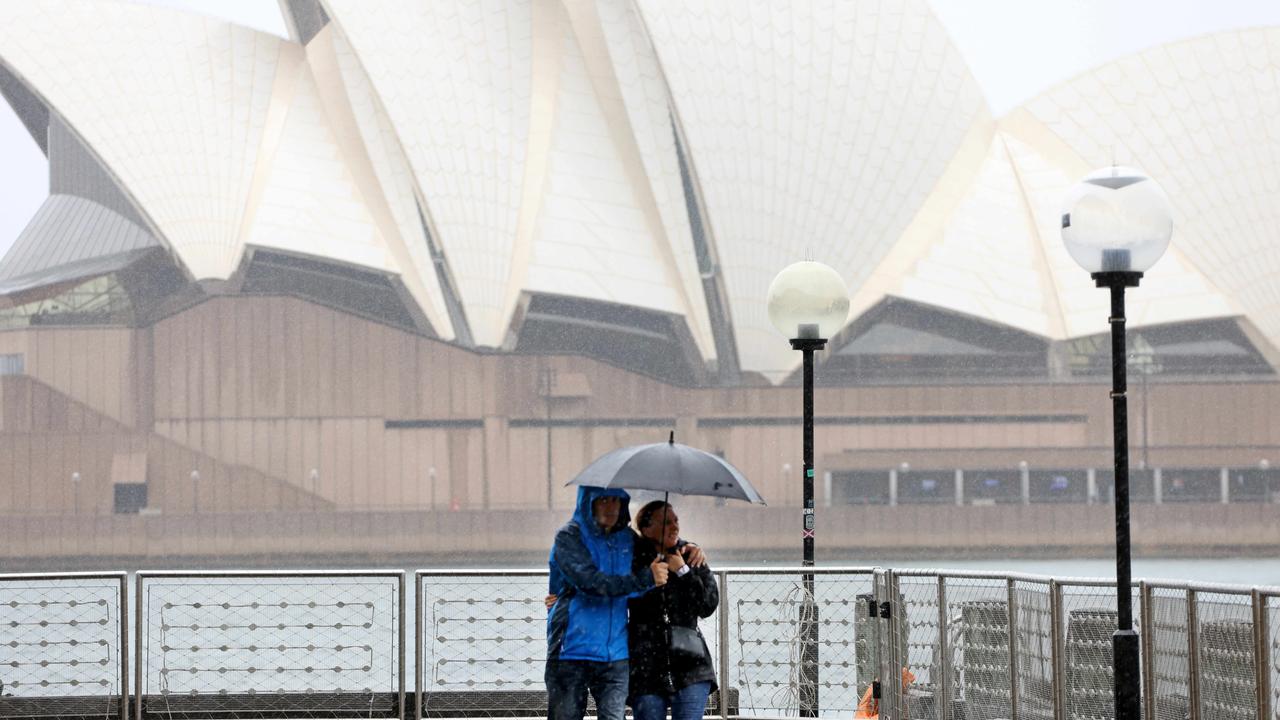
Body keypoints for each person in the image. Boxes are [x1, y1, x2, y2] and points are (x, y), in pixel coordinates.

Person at [545, 486, 669, 720]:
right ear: (588, 503)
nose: (611, 507)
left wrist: (689, 548)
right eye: (603, 500)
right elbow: (591, 583)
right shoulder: (569, 536)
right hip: (572, 650)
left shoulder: (628, 539)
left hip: (615, 653)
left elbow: (656, 553)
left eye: (616, 501)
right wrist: (645, 579)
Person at [627, 500, 719, 720]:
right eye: (666, 522)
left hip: (691, 665)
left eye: (676, 521)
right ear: (647, 529)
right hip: (646, 666)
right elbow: (618, 597)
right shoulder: (633, 561)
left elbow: (707, 605)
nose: (675, 527)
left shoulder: (690, 556)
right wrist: (648, 577)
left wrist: (684, 572)